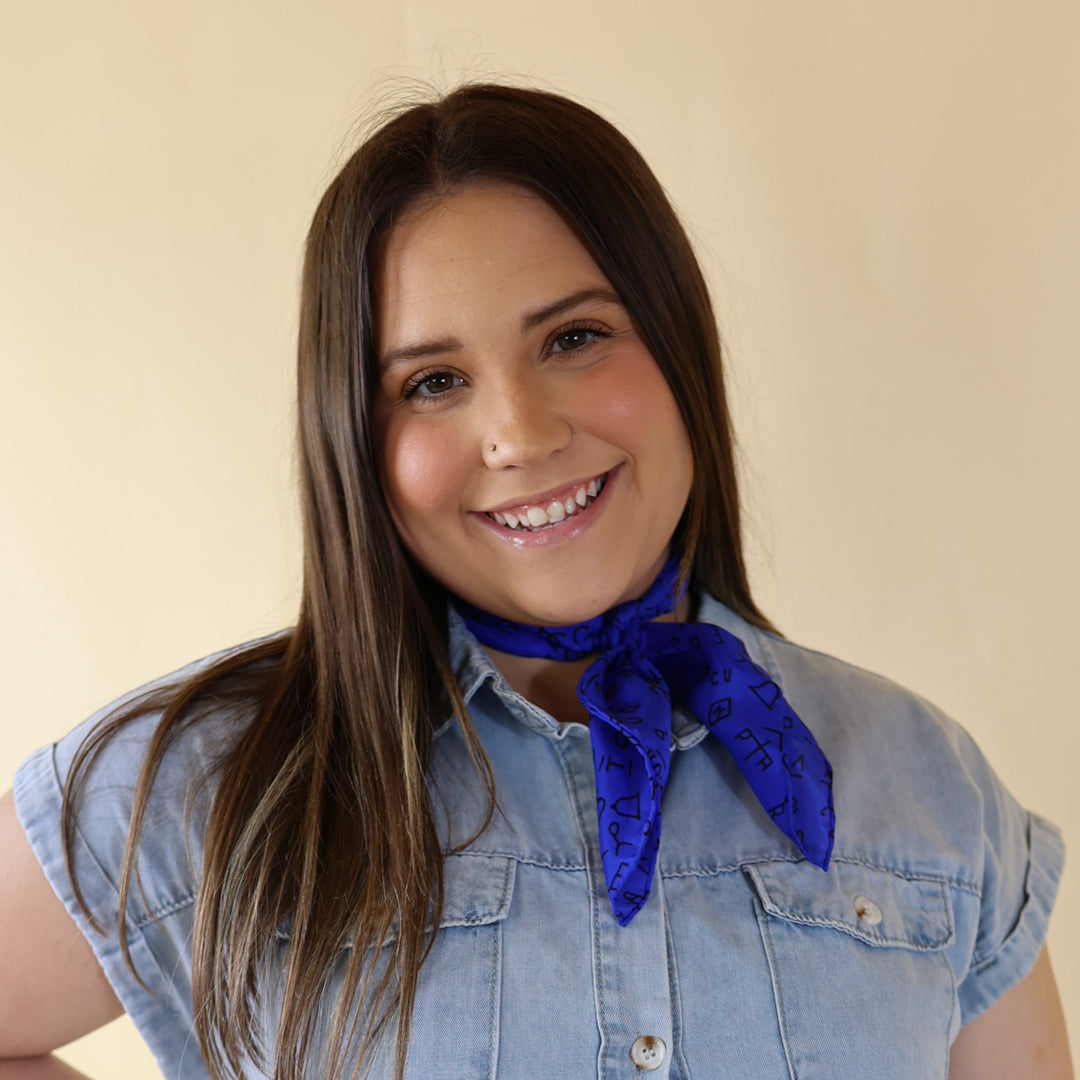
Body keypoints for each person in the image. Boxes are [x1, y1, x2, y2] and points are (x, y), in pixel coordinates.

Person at [0, 83, 1072, 1080]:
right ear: (353, 439)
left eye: (574, 337)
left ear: (678, 347)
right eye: (432, 382)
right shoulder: (206, 787)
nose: (518, 434)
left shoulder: (929, 791)